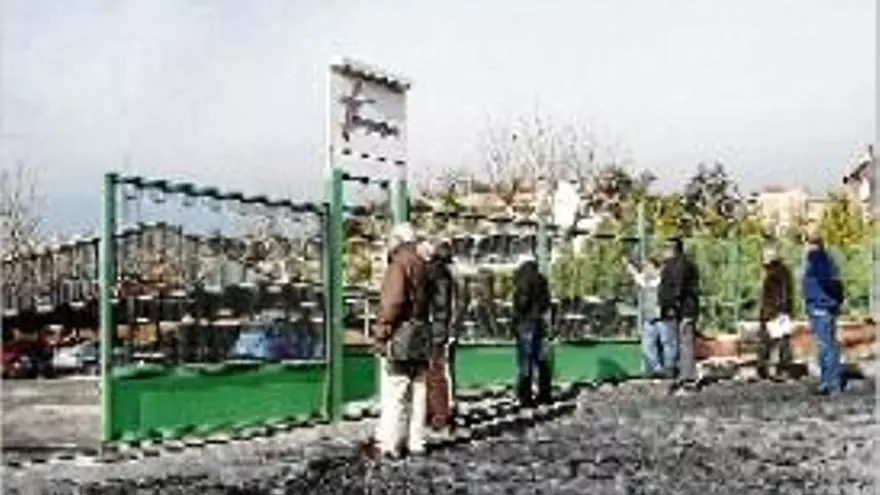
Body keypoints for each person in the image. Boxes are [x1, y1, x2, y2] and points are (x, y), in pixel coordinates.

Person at [366, 223, 430, 459]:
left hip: (401, 333)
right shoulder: (423, 264)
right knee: (419, 389)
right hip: (421, 333)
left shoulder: (399, 264)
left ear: (397, 240)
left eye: (390, 238)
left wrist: (381, 331)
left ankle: (389, 444)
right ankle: (416, 441)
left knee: (395, 389)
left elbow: (392, 303)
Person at [802, 229, 846, 396]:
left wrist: (825, 300)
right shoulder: (827, 259)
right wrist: (836, 301)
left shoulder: (816, 260)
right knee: (827, 344)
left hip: (820, 306)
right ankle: (827, 381)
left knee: (826, 345)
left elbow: (828, 282)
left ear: (811, 244)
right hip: (825, 306)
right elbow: (837, 283)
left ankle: (831, 383)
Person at [423, 240, 457, 434]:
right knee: (436, 373)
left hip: (433, 330)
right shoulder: (444, 274)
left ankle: (438, 415)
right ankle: (437, 413)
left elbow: (439, 306)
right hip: (438, 329)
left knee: (434, 373)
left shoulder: (435, 274)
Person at [658, 237, 700, 392]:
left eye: (666, 248)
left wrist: (672, 304)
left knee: (683, 342)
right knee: (681, 342)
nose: (663, 251)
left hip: (679, 309)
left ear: (673, 249)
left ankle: (685, 377)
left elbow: (678, 286)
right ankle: (681, 375)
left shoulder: (677, 265)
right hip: (682, 308)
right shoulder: (686, 264)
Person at [511, 253, 552, 407]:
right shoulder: (542, 279)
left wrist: (517, 315)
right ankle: (545, 394)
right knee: (541, 360)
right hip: (539, 324)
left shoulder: (523, 279)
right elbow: (546, 304)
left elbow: (522, 302)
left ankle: (525, 396)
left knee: (525, 362)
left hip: (525, 324)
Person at [626, 257, 676, 378]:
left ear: (656, 269)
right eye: (645, 268)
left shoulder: (663, 281)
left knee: (667, 344)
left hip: (663, 317)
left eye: (649, 267)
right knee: (648, 346)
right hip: (649, 318)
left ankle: (669, 368)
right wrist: (628, 263)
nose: (646, 270)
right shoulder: (645, 281)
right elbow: (635, 274)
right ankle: (656, 368)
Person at [756, 246, 795, 381]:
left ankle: (765, 368)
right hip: (782, 311)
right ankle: (783, 369)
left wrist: (771, 313)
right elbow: (786, 294)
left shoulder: (773, 275)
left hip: (773, 312)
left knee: (767, 341)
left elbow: (777, 296)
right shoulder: (784, 272)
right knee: (783, 340)